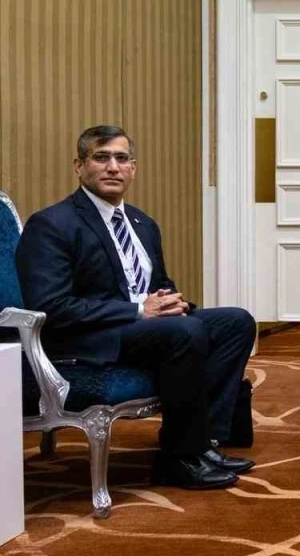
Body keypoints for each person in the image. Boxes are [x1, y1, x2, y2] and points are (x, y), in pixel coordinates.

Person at [16, 125, 257, 491]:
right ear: (79, 166)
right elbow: (52, 307)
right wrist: (138, 310)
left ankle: (204, 443)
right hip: (87, 337)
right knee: (185, 331)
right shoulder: (52, 224)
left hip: (143, 329)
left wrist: (174, 302)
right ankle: (178, 458)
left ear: (133, 168)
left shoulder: (143, 224)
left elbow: (159, 285)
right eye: (101, 157)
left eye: (121, 158)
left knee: (236, 322)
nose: (113, 167)